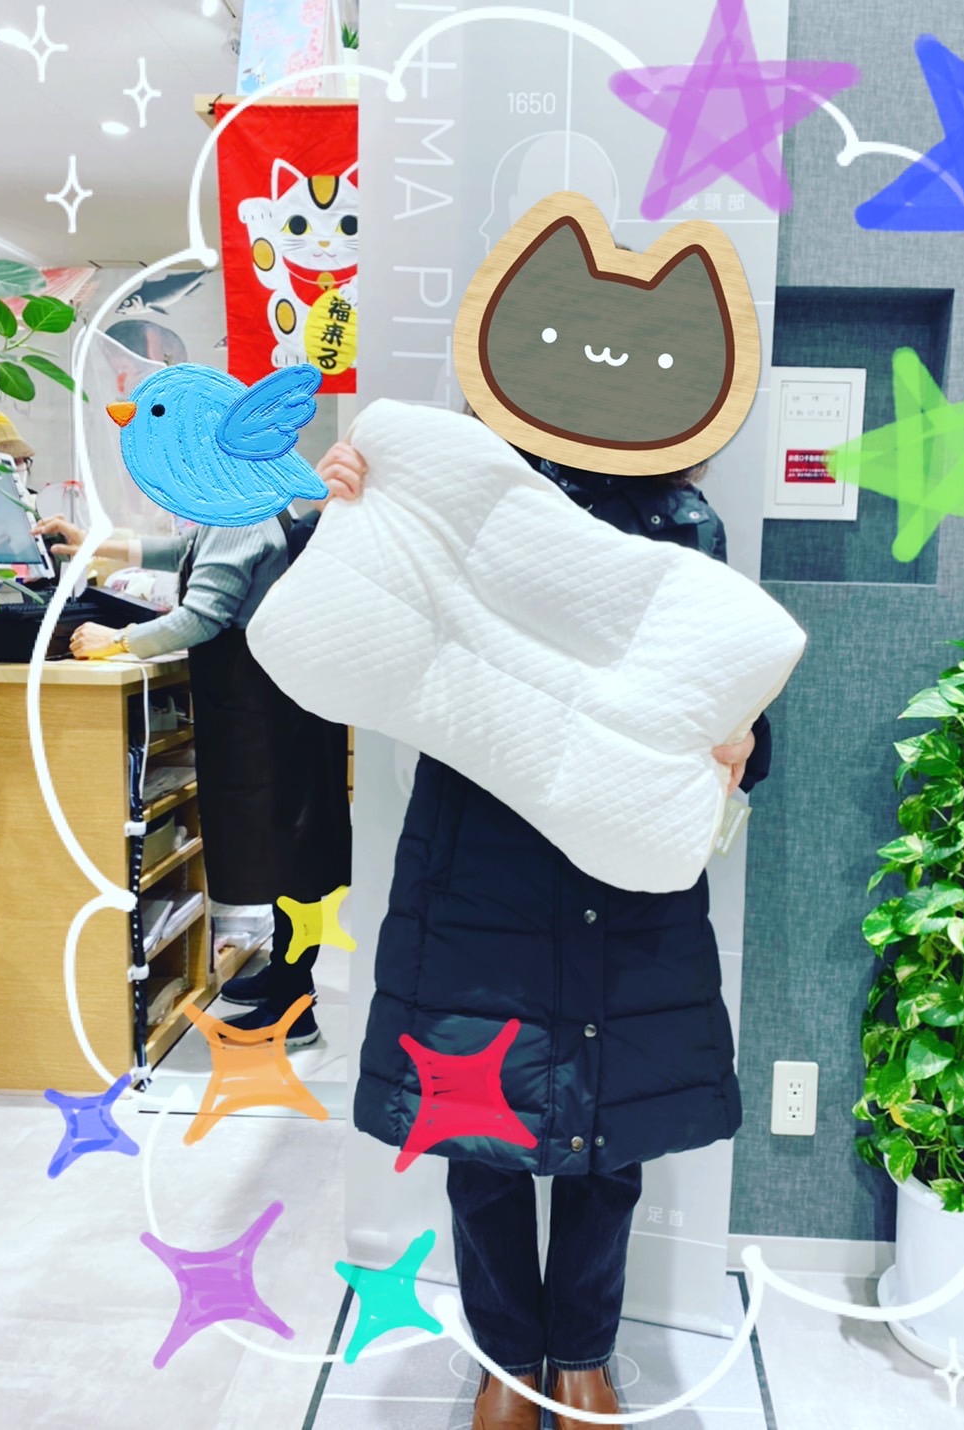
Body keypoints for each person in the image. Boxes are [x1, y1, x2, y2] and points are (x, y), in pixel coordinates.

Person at [315, 432, 770, 1430]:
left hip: (623, 868)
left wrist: (742, 733)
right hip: (480, 864)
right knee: (475, 1125)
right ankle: (509, 1362)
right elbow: (371, 626)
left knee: (607, 1135)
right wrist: (346, 513)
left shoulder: (684, 524)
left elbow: (723, 686)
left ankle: (580, 1360)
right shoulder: (459, 485)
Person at [31, 479, 358, 1048]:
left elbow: (199, 618)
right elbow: (185, 552)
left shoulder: (239, 513)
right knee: (287, 853)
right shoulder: (247, 502)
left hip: (269, 715)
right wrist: (94, 543)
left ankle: (294, 1008)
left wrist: (118, 639)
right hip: (278, 707)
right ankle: (286, 974)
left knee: (287, 855)